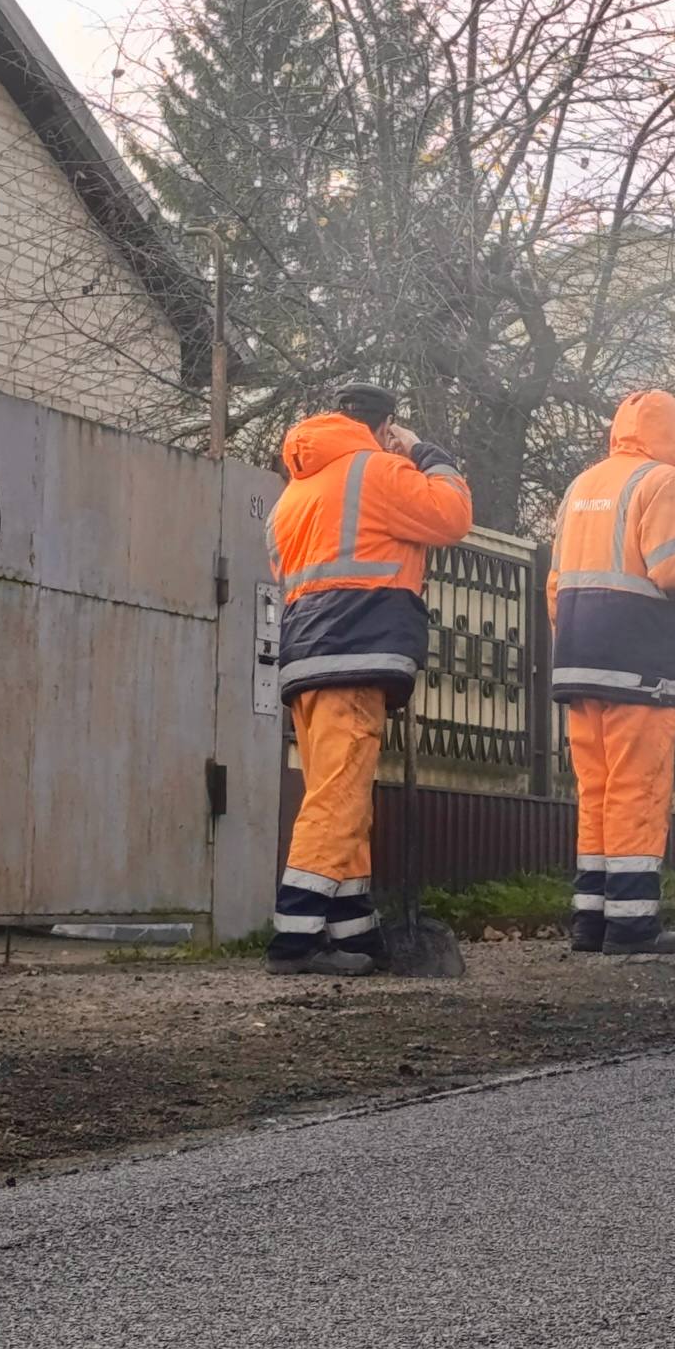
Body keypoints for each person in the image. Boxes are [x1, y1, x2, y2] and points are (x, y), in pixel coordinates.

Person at [266, 381, 472, 975]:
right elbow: (452, 516)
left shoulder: (294, 493)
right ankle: (296, 936)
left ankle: (355, 934)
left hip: (306, 655)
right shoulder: (377, 471)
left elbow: (286, 569)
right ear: (383, 428)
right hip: (356, 649)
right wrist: (425, 452)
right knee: (338, 798)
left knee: (337, 793)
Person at [547, 390, 675, 956]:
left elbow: (555, 582)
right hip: (639, 663)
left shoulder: (583, 485)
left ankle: (592, 919)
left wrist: (573, 637)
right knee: (638, 789)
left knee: (598, 790)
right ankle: (633, 924)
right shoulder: (662, 482)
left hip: (580, 656)